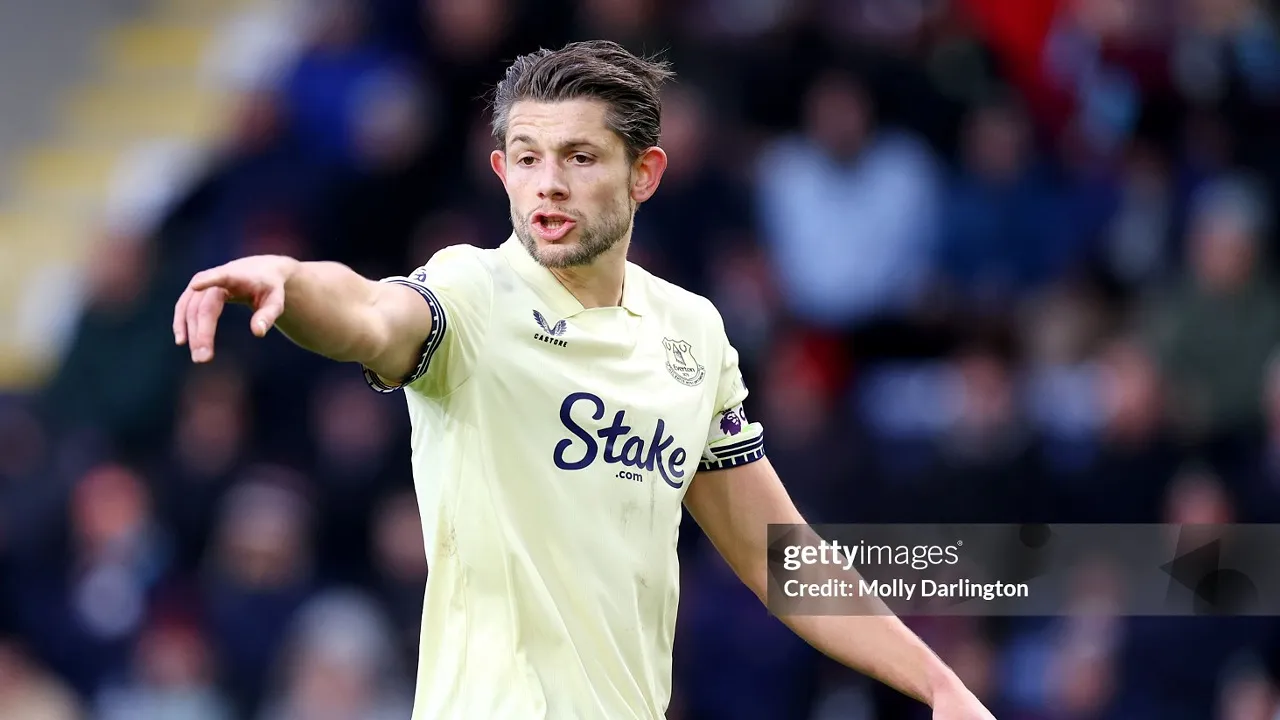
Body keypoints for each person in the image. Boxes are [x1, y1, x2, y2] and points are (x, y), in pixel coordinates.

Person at [172, 40, 994, 720]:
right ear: (501, 172)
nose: (548, 184)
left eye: (580, 157)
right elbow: (370, 316)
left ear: (646, 174)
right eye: (526, 158)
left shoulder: (693, 336)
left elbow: (780, 558)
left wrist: (937, 683)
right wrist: (291, 280)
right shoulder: (471, 294)